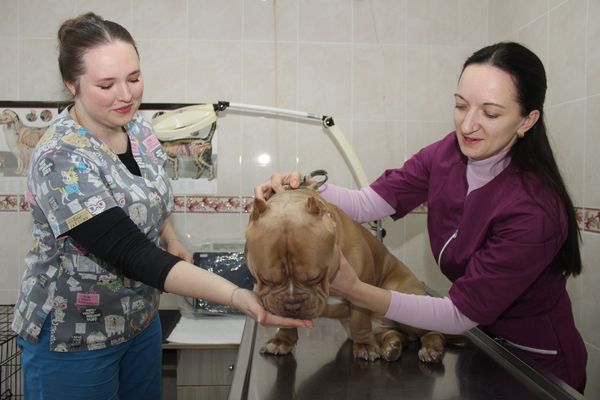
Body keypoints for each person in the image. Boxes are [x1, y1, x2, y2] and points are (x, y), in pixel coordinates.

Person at [11, 12, 312, 400]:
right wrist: (238, 296)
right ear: (72, 84)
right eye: (106, 85)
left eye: (134, 78)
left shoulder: (138, 130)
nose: (126, 95)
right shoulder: (61, 157)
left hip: (139, 321)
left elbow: (148, 195)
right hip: (73, 337)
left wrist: (170, 237)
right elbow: (131, 252)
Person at [255, 42, 587, 393]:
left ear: (527, 120)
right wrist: (302, 188)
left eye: (490, 113)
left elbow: (458, 314)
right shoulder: (446, 154)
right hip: (481, 346)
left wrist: (356, 290)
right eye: (460, 105)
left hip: (533, 364)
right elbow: (368, 203)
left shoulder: (534, 209)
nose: (468, 125)